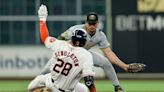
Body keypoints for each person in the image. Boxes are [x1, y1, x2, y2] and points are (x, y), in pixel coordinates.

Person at [28, 4, 96, 92]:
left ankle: (44, 90)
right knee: (84, 89)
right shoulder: (86, 55)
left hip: (50, 81)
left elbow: (45, 38)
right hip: (65, 89)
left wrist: (42, 20)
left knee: (30, 87)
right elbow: (89, 81)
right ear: (84, 42)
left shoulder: (60, 44)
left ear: (72, 38)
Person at [58, 12, 129, 92]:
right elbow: (60, 38)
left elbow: (109, 53)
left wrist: (124, 66)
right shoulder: (75, 29)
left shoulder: (100, 35)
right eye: (90, 23)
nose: (92, 26)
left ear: (98, 23)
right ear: (86, 23)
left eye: (94, 24)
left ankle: (117, 87)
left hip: (84, 55)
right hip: (71, 55)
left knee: (105, 62)